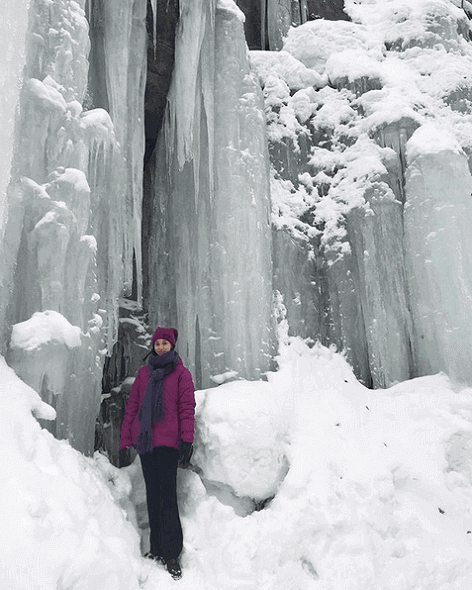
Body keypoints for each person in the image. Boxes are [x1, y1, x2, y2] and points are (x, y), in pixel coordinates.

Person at [119, 327, 195, 580]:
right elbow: (133, 407)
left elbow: (186, 408)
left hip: (168, 443)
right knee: (153, 495)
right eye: (158, 343)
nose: (161, 346)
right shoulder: (144, 374)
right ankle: (156, 548)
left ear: (172, 346)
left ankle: (172, 553)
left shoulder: (181, 374)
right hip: (146, 443)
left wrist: (187, 440)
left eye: (165, 343)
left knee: (167, 496)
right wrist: (127, 436)